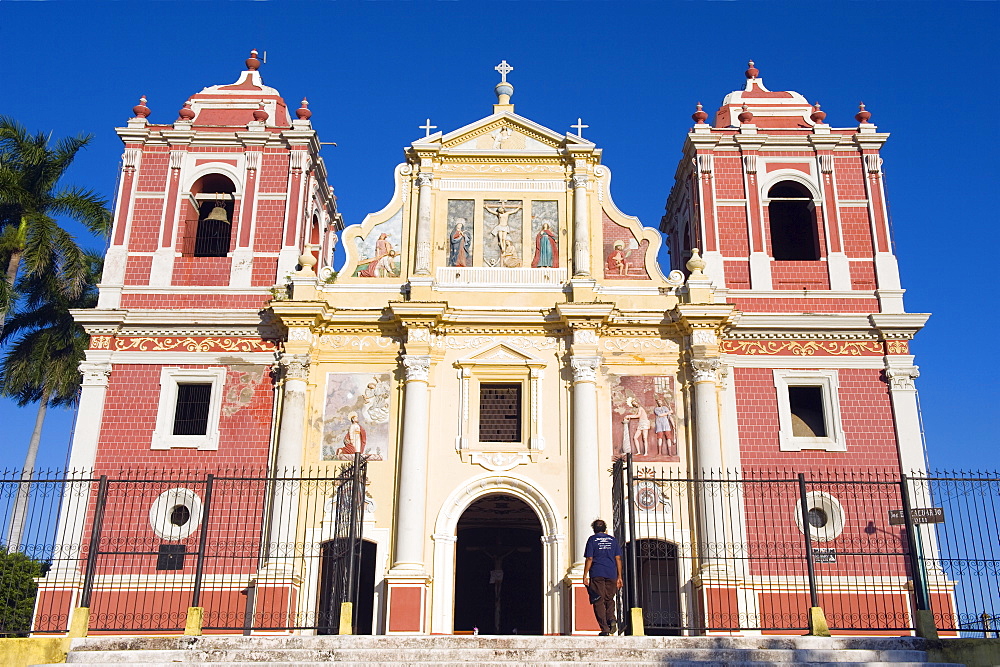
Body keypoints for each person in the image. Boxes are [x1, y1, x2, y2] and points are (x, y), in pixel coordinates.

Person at [582, 518, 623, 636]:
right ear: (605, 529)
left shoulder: (592, 540)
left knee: (598, 600)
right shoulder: (613, 540)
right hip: (611, 573)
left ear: (594, 529)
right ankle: (612, 619)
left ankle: (605, 628)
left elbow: (589, 558)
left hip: (597, 573)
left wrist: (585, 574)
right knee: (609, 599)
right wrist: (619, 576)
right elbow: (618, 559)